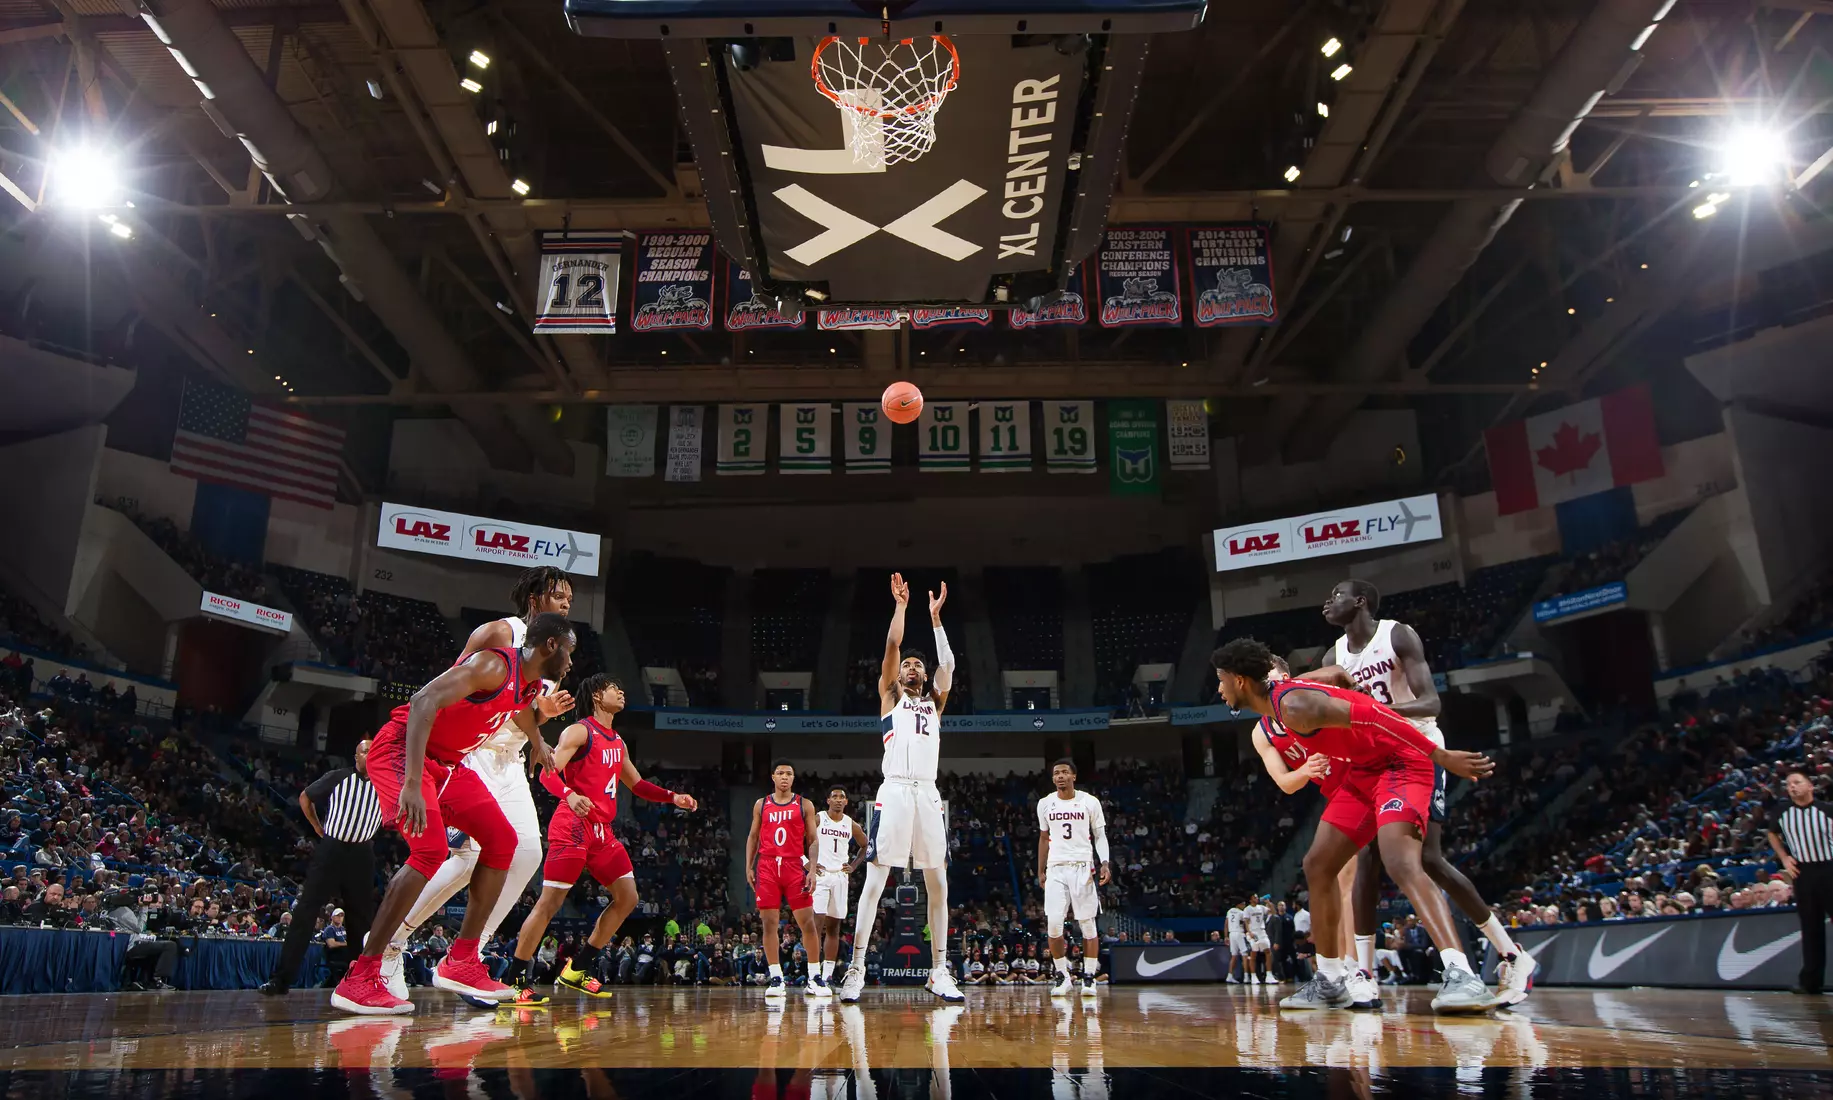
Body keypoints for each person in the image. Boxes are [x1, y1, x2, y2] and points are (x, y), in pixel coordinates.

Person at [1211, 636, 1497, 1014]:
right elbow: (1330, 672)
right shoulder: (1277, 704)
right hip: (1363, 773)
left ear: (1240, 680)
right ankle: (1330, 980)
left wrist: (1440, 755)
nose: (1218, 688)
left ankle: (1463, 975)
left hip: (1400, 764)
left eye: (1220, 679)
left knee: (1399, 859)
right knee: (1318, 864)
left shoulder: (1294, 705)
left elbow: (1376, 714)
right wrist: (1344, 680)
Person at [328, 612, 576, 1015]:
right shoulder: (494, 664)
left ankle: (461, 960)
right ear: (551, 645)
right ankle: (360, 975)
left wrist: (538, 741)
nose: (571, 660)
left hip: (447, 765)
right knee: (429, 851)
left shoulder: (528, 683)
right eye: (570, 650)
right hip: (401, 753)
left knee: (503, 840)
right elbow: (423, 699)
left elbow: (523, 708)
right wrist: (411, 781)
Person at [1318, 579, 1538, 1007]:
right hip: (1373, 762)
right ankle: (1363, 973)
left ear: (1360, 601)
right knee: (1366, 857)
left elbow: (1431, 702)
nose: (1328, 602)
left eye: (1337, 595)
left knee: (1428, 860)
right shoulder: (1333, 656)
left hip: (1417, 752)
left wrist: (1375, 712)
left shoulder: (1396, 634)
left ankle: (1510, 954)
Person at [382, 567, 575, 1003]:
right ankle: (392, 944)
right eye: (559, 595)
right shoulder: (498, 632)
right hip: (473, 752)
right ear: (535, 598)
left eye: (570, 599)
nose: (566, 603)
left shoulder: (556, 651)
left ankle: (468, 956)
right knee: (469, 856)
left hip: (509, 759)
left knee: (527, 853)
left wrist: (540, 729)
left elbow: (522, 707)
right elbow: (456, 692)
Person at [503, 673, 698, 1003]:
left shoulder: (617, 741)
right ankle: (516, 976)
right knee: (550, 903)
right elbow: (548, 773)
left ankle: (578, 969)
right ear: (596, 695)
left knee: (628, 898)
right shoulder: (580, 731)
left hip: (601, 832)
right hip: (572, 825)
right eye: (613, 688)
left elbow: (636, 785)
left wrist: (672, 797)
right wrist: (569, 795)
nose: (621, 692)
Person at [838, 574, 965, 1005]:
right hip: (892, 792)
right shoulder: (892, 696)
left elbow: (948, 667)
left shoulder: (935, 702)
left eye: (918, 665)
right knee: (875, 881)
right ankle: (855, 970)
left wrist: (935, 620)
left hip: (928, 793)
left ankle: (939, 971)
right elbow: (892, 648)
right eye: (908, 665)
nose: (912, 667)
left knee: (939, 884)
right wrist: (902, 608)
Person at [1247, 681, 1362, 1009]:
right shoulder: (1262, 732)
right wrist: (1306, 769)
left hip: (1360, 773)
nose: (1270, 686)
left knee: (1350, 879)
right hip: (1336, 791)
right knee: (1335, 879)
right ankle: (1341, 971)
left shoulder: (1306, 700)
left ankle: (1352, 971)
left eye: (1275, 679)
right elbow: (1285, 783)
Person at [262, 741, 383, 996]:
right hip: (332, 847)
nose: (370, 755)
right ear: (356, 756)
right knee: (306, 911)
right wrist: (318, 828)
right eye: (365, 751)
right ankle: (281, 979)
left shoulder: (386, 783)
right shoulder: (338, 777)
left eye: (375, 751)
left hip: (362, 853)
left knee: (361, 919)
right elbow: (306, 797)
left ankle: (359, 982)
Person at [745, 759, 825, 1000]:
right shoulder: (762, 804)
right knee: (769, 923)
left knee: (807, 923)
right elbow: (753, 836)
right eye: (780, 773)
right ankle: (776, 977)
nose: (784, 777)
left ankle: (814, 976)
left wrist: (811, 869)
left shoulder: (805, 804)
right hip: (767, 865)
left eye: (788, 773)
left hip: (793, 865)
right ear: (773, 777)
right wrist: (749, 866)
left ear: (793, 778)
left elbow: (812, 839)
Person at [1035, 757, 1109, 998]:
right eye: (1056, 773)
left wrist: (1105, 862)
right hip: (1056, 867)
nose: (1060, 776)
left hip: (1082, 866)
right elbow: (1044, 838)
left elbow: (1099, 835)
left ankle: (1088, 977)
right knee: (1054, 923)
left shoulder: (1089, 802)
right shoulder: (1045, 803)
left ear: (1074, 776)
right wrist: (1041, 869)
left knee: (1087, 923)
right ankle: (1062, 976)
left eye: (1065, 772)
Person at [1765, 768, 1833, 994]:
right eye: (1788, 784)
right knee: (1810, 928)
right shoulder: (1782, 812)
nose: (1792, 787)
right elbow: (1772, 833)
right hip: (1802, 872)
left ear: (1810, 786)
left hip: (1829, 868)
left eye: (1796, 782)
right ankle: (1810, 982)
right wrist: (1784, 857)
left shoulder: (1826, 810)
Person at [811, 783, 867, 993]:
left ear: (846, 801)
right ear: (828, 800)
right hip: (821, 876)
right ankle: (813, 975)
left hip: (840, 877)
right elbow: (798, 839)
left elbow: (865, 845)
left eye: (841, 797)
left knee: (834, 929)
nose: (838, 799)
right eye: (834, 796)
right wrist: (808, 863)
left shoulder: (850, 823)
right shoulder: (819, 818)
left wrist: (853, 866)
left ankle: (827, 976)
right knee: (816, 926)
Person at [1245, 894, 1276, 985]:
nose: (1257, 898)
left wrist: (1269, 903)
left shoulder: (1262, 907)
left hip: (1262, 931)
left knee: (1268, 951)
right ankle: (1254, 976)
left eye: (1257, 897)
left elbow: (1273, 912)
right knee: (1254, 953)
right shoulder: (1248, 909)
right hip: (1253, 932)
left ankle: (1269, 975)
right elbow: (1246, 922)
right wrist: (1249, 932)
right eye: (1254, 897)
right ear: (1250, 900)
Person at [1224, 898, 1247, 984]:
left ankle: (1229, 976)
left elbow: (1226, 924)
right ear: (1238, 905)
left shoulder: (1229, 911)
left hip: (1231, 934)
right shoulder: (1242, 913)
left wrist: (1226, 936)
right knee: (1244, 954)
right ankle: (1246, 976)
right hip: (1239, 933)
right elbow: (1245, 924)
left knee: (1234, 955)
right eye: (1243, 904)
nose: (1244, 906)